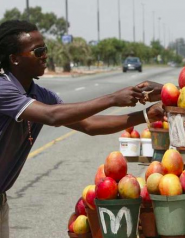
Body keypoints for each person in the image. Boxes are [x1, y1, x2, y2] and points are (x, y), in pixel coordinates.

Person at [0, 20, 163, 238]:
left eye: (45, 49)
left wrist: (144, 115)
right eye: (38, 51)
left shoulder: (39, 94)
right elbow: (53, 116)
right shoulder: (4, 88)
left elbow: (89, 125)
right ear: (15, 59)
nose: (45, 55)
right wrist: (113, 98)